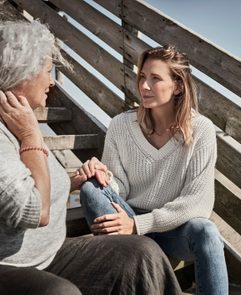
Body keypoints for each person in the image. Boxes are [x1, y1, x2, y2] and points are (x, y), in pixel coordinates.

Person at [0, 21, 182, 295]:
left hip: (49, 256)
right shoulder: (18, 130)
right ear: (22, 72)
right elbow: (34, 211)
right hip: (9, 265)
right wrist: (31, 137)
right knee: (60, 293)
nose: (51, 81)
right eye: (47, 71)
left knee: (141, 253)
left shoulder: (19, 118)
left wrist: (75, 180)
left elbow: (30, 183)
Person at [80, 45, 229, 295]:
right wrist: (101, 175)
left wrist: (138, 224)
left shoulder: (201, 129)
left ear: (178, 86)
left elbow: (196, 204)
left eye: (155, 78)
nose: (144, 86)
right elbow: (120, 186)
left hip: (174, 230)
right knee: (91, 189)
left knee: (207, 231)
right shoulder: (120, 125)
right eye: (142, 77)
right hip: (127, 222)